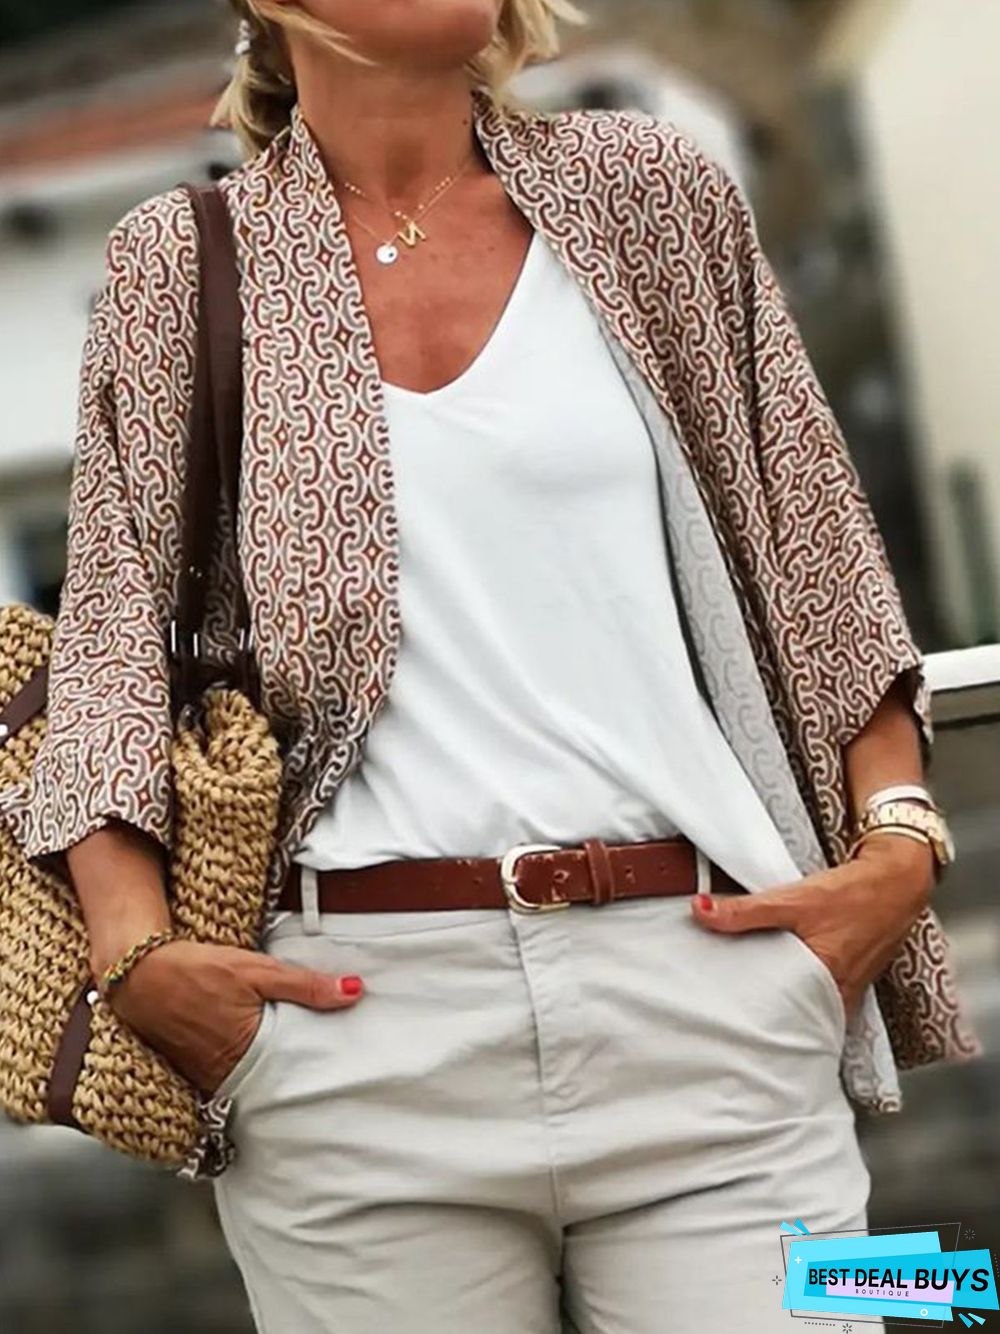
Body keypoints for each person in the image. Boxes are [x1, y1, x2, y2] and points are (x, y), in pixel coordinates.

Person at [16, 2, 975, 1331]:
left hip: (713, 998)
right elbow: (114, 638)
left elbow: (816, 537)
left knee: (884, 1307)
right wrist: (143, 958)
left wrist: (899, 845)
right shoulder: (176, 265)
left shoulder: (649, 190)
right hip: (350, 1050)